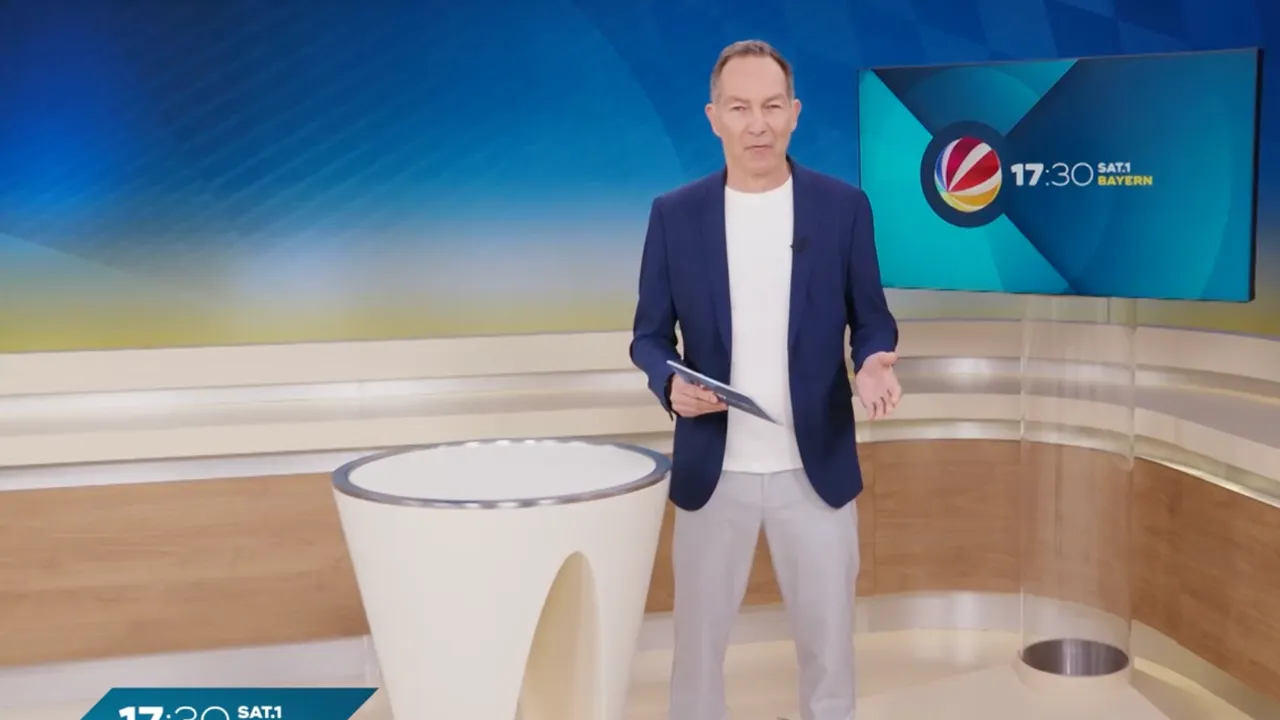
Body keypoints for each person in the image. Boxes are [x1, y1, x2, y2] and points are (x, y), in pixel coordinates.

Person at [629, 40, 902, 720]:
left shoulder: (843, 208)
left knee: (830, 650)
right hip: (712, 469)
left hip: (816, 466)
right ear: (714, 117)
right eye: (740, 108)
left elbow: (872, 321)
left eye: (772, 106)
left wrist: (873, 360)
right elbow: (648, 338)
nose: (758, 124)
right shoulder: (674, 215)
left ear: (795, 113)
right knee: (697, 652)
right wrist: (668, 385)